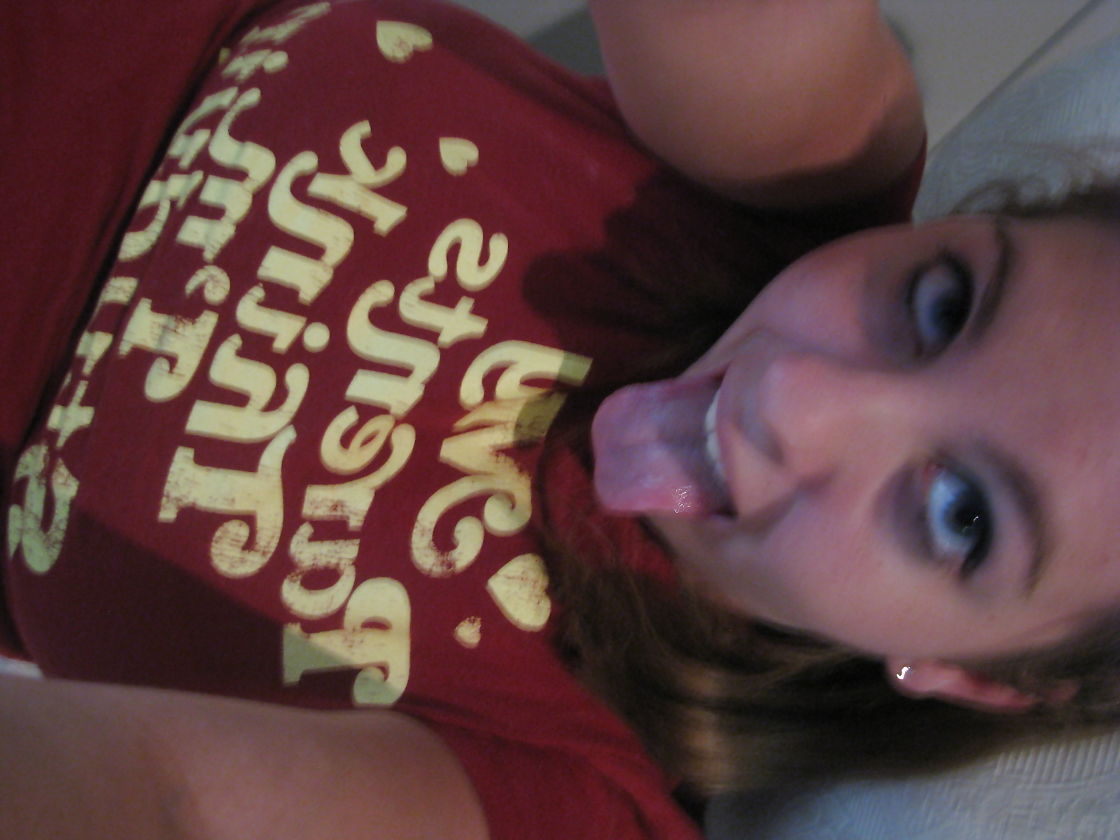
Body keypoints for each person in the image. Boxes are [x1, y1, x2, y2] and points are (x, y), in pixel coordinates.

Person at [2, 0, 1118, 838]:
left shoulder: (570, 792)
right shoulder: (803, 183)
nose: (796, 394)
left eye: (961, 513)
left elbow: (167, 799)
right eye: (942, 305)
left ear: (976, 675)